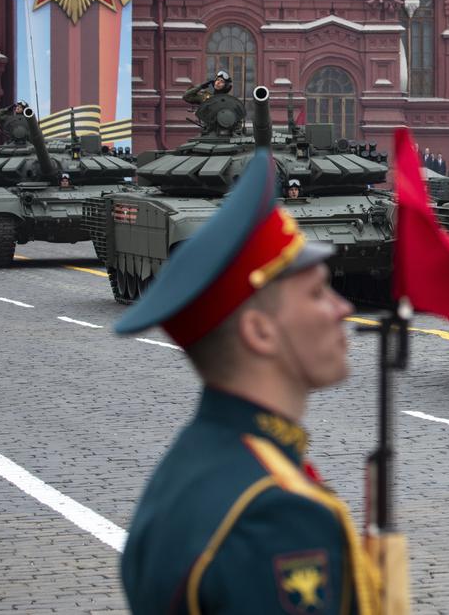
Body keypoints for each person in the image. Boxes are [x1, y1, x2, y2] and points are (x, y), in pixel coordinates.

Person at [115, 151, 381, 614]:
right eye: (318, 293)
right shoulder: (277, 515)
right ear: (259, 331)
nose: (343, 310)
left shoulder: (189, 471)